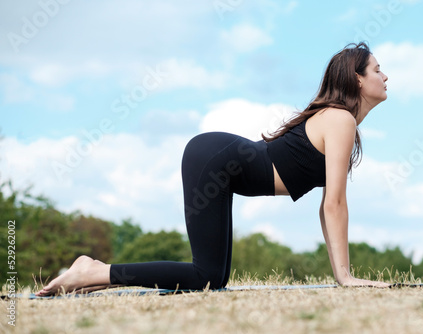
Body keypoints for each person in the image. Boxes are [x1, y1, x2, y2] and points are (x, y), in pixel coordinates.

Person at [36, 42, 390, 296]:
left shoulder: (340, 123)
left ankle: (92, 277)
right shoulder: (341, 119)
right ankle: (95, 270)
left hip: (219, 160)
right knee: (204, 274)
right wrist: (345, 277)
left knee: (211, 281)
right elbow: (335, 205)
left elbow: (329, 207)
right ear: (357, 79)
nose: (385, 76)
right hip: (215, 159)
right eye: (377, 69)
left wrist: (343, 274)